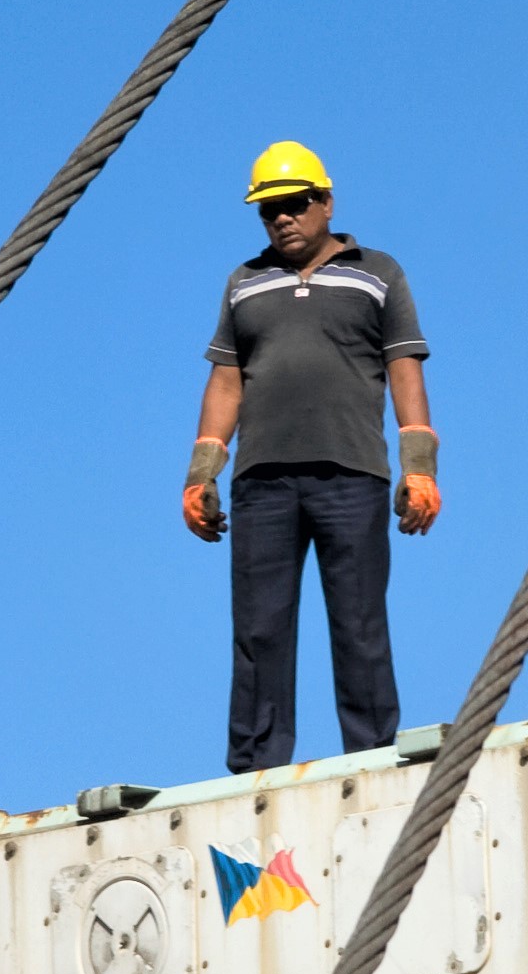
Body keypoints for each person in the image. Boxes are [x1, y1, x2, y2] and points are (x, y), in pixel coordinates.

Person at [184, 140, 439, 774]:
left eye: (295, 204)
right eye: (268, 209)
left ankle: (373, 758)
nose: (282, 218)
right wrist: (200, 476)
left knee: (359, 623)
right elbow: (226, 380)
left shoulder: (377, 272)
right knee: (260, 629)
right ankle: (255, 770)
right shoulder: (244, 283)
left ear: (326, 201)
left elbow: (403, 366)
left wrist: (420, 466)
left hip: (351, 474)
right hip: (262, 482)